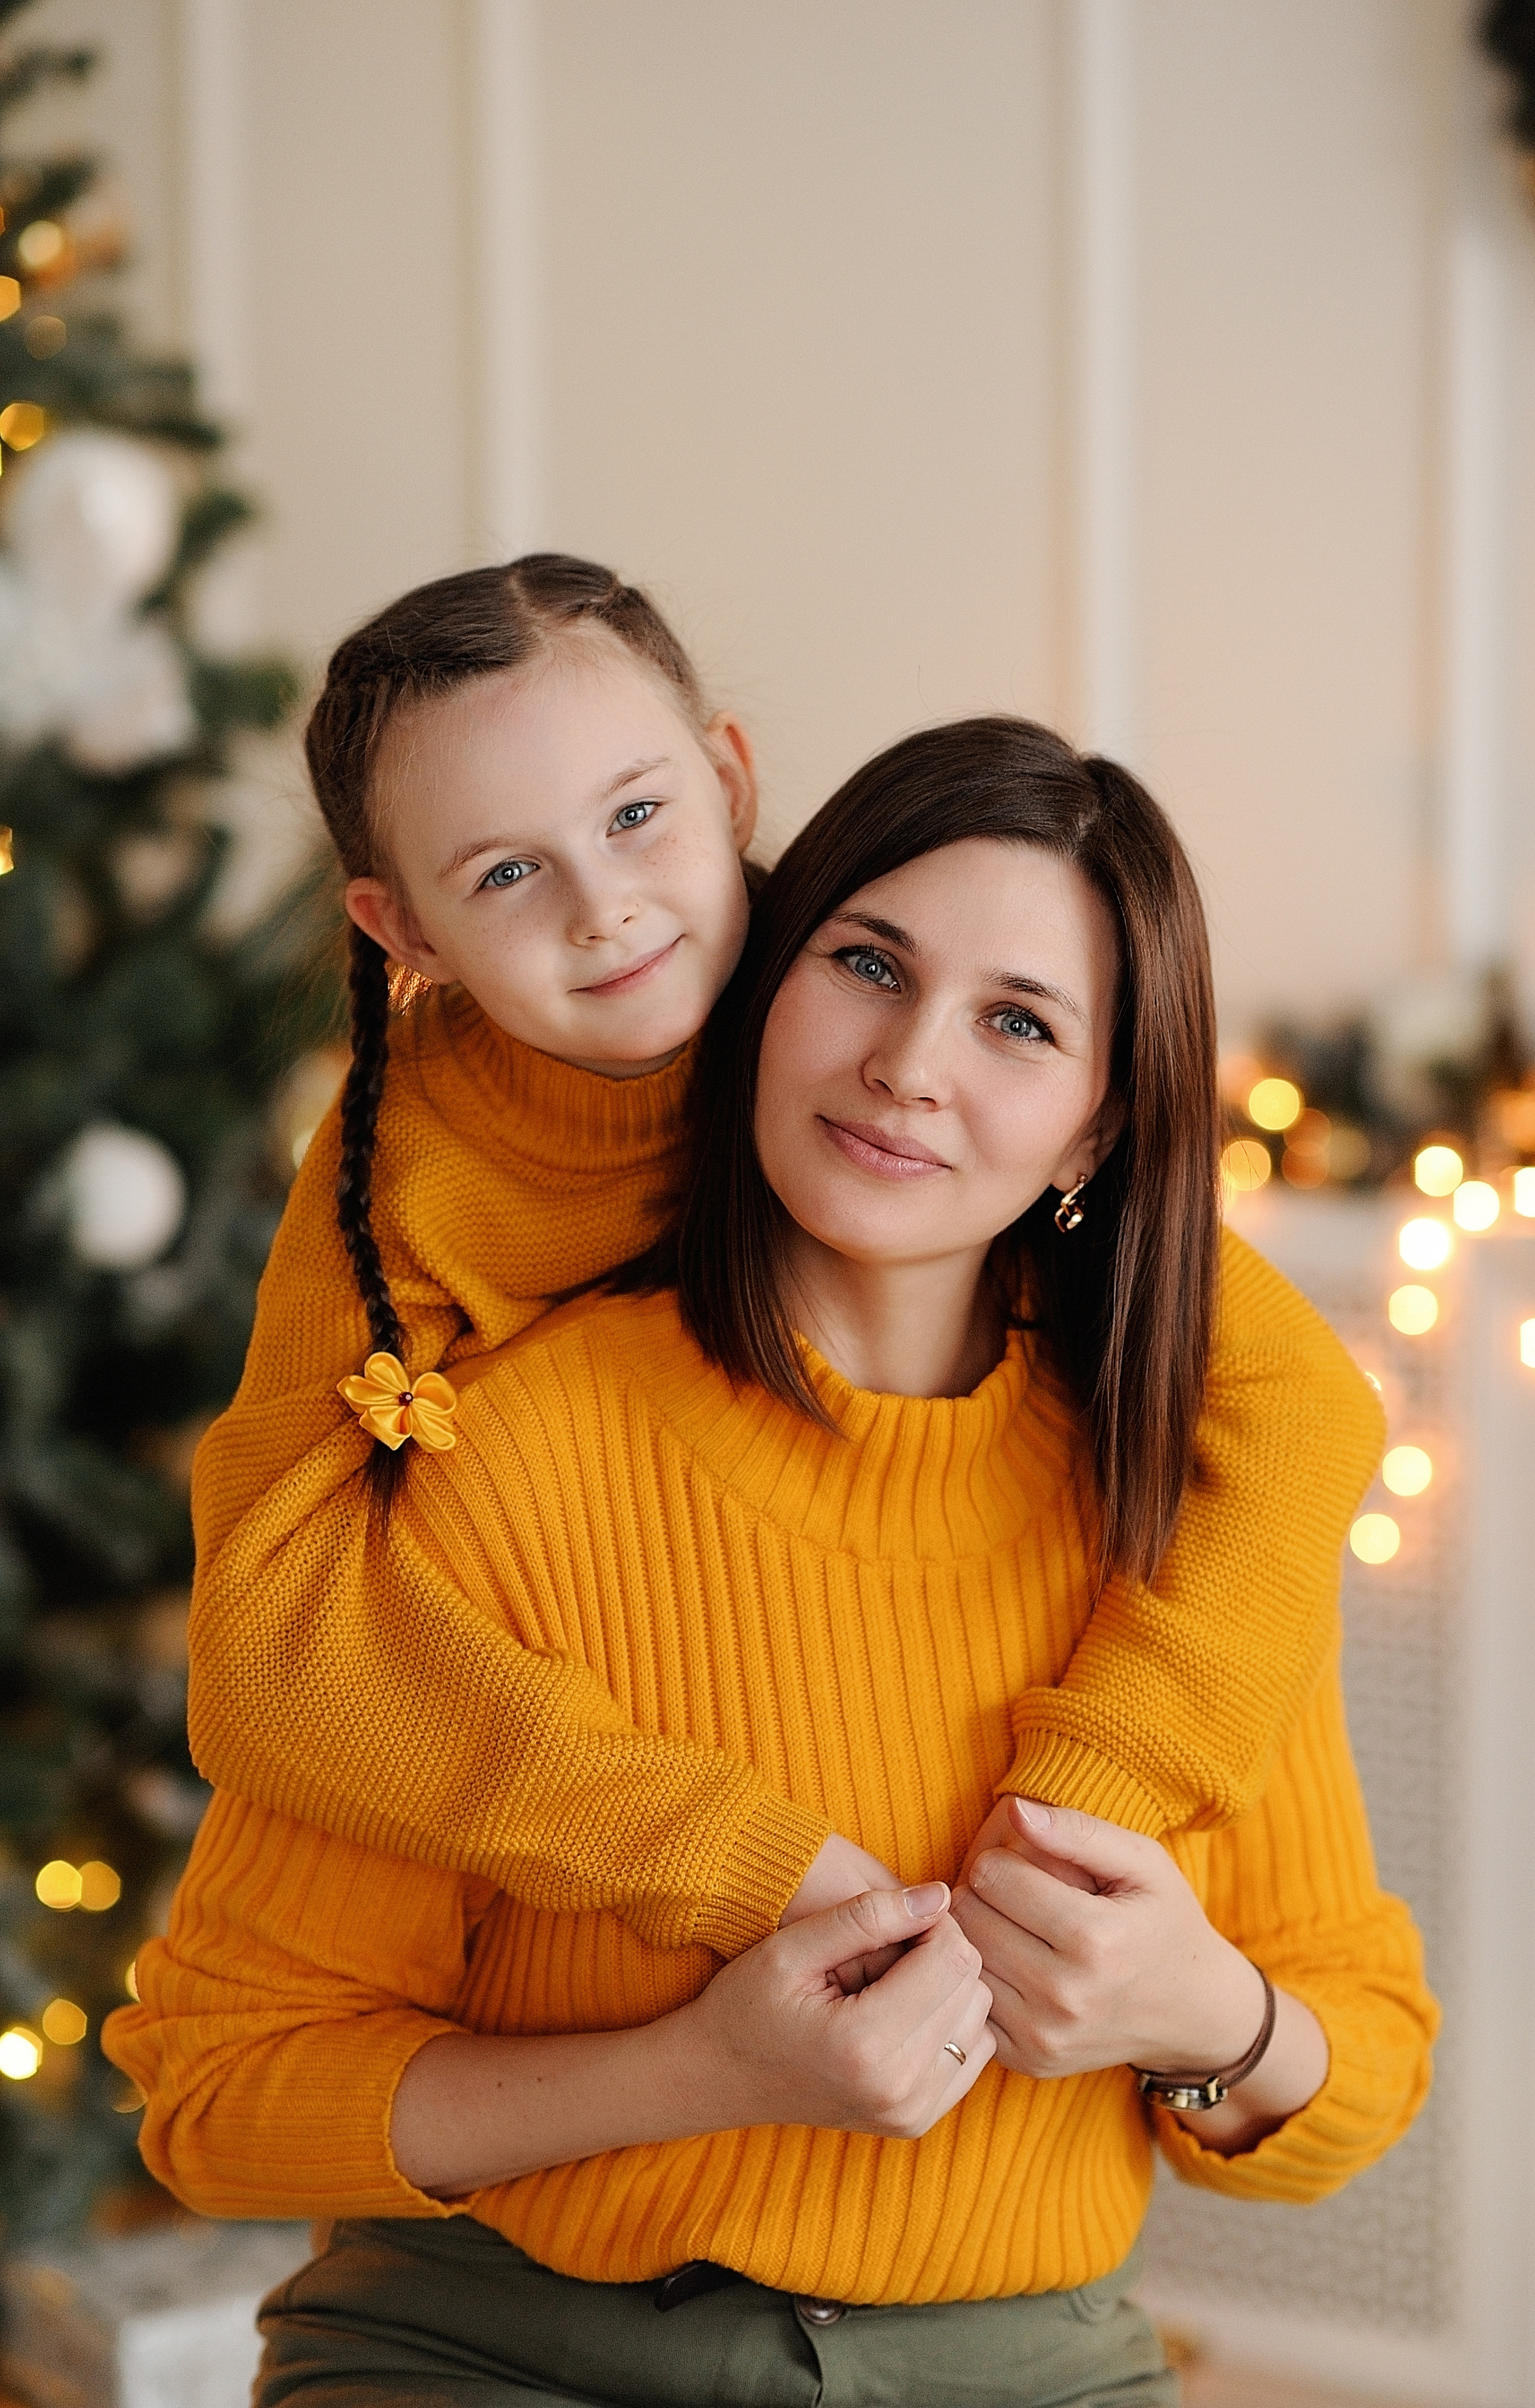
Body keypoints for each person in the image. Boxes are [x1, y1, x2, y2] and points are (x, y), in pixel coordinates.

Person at [108, 719, 1436, 2408]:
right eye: (867, 965)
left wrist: (1210, 2019)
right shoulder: (512, 1456)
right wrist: (695, 2070)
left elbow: (1361, 2070)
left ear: (1096, 1133)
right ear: (761, 994)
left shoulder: (1197, 1516)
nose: (907, 1064)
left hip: (1021, 2367)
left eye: (1018, 1023)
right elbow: (221, 2097)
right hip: (501, 2350)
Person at [182, 556, 1385, 1966]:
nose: (604, 909)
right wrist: (713, 1849)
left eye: (637, 816)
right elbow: (265, 1638)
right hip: (585, 1572)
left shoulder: (861, 1000)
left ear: (728, 784)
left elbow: (1304, 1406)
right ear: (404, 933)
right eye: (506, 872)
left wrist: (1085, 1803)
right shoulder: (407, 1159)